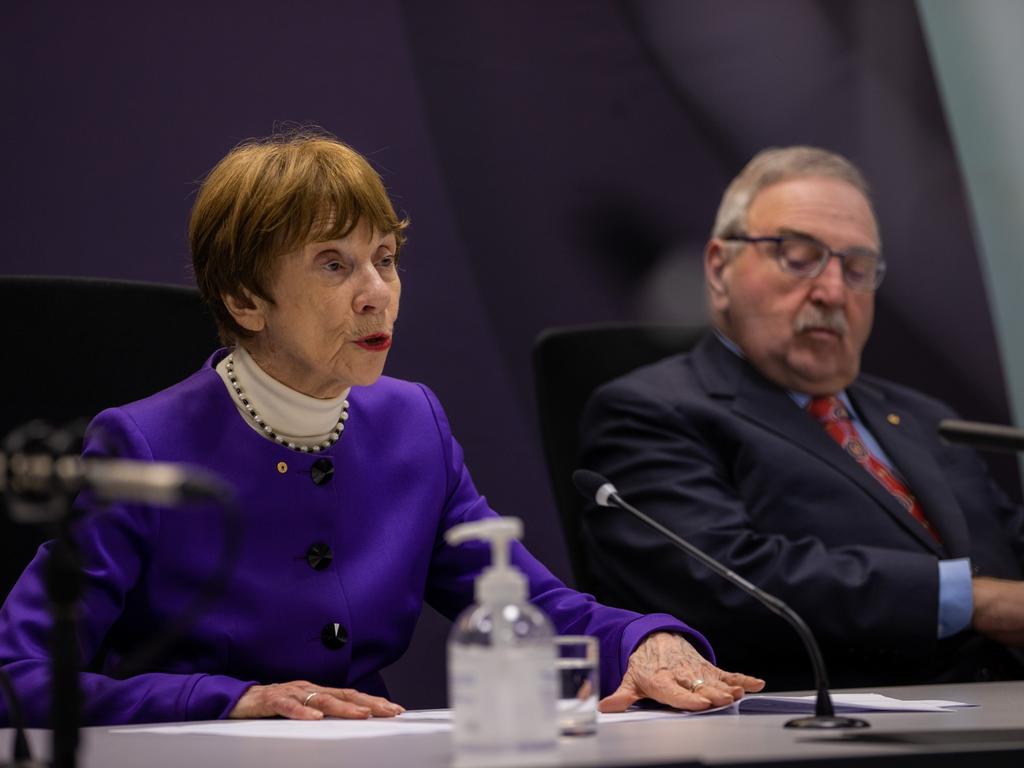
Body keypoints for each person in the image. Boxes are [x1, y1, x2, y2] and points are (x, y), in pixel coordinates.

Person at [0, 132, 762, 727]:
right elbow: (21, 674)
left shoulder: (413, 424)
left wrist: (646, 642)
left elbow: (531, 608)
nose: (377, 296)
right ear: (243, 299)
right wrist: (227, 700)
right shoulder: (144, 447)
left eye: (386, 259)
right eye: (334, 265)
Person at [579, 146, 1024, 691]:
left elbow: (1004, 543)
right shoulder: (649, 412)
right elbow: (727, 577)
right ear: (718, 269)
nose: (834, 291)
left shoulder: (925, 417)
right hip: (832, 724)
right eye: (797, 255)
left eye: (857, 267)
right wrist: (972, 601)